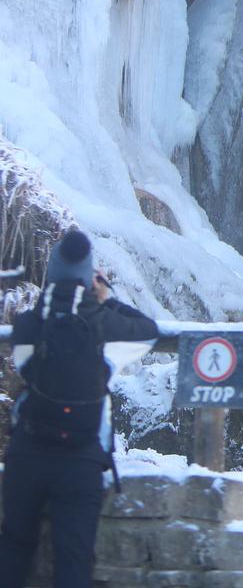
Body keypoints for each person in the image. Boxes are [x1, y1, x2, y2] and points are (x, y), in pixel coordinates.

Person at [1, 231, 159, 588]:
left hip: (28, 452)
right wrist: (107, 299)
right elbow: (148, 332)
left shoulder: (28, 323)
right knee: (73, 559)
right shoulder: (104, 323)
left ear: (52, 274)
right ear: (90, 277)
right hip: (82, 458)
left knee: (13, 547)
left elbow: (25, 368)